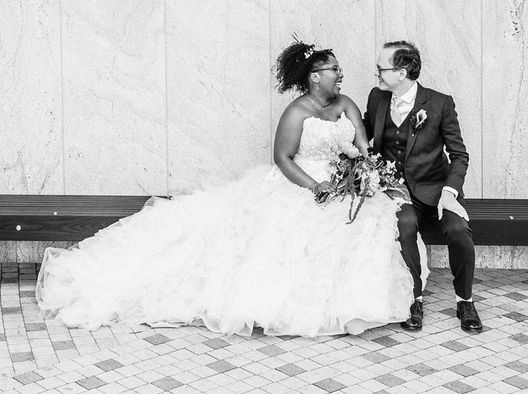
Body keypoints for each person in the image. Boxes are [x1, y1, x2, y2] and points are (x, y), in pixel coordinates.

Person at [35, 41, 412, 336]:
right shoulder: (296, 112)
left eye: (338, 69)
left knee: (365, 226)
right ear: (315, 76)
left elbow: (364, 146)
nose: (340, 74)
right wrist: (316, 187)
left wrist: (364, 173)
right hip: (302, 184)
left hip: (345, 185)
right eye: (334, 69)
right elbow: (283, 159)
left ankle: (354, 305)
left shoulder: (346, 103)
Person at [364, 41, 481, 333]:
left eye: (382, 67)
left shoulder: (439, 103)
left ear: (402, 72)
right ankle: (412, 298)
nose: (377, 72)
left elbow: (459, 155)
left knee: (458, 230)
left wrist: (450, 192)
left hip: (438, 188)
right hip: (397, 191)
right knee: (404, 225)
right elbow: (364, 137)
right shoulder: (377, 99)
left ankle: (465, 300)